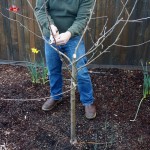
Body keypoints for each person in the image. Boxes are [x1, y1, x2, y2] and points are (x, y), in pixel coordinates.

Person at [35, 0, 96, 119]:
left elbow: (83, 18)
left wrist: (69, 33)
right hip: (51, 36)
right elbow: (40, 10)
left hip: (73, 38)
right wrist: (50, 26)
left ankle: (88, 101)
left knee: (81, 70)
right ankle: (56, 96)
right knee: (53, 69)